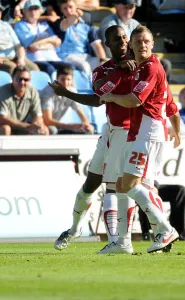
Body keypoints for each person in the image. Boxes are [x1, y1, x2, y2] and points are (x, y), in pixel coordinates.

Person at [50, 25, 137, 250]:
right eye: (117, 39)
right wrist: (67, 93)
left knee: (113, 187)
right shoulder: (102, 70)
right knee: (90, 185)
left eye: (125, 38)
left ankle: (115, 242)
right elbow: (98, 97)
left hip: (129, 133)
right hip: (110, 131)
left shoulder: (139, 66)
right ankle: (75, 229)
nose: (123, 42)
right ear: (107, 44)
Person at [100, 25, 181, 254]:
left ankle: (165, 230)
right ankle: (126, 241)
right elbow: (171, 105)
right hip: (143, 133)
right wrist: (176, 130)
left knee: (128, 184)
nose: (142, 45)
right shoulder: (144, 68)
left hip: (147, 133)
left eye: (145, 41)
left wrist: (111, 96)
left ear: (152, 44)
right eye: (137, 43)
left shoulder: (151, 69)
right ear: (132, 47)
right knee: (127, 185)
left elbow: (135, 100)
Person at [99, 0, 172, 82]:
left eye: (131, 6)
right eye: (126, 6)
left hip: (136, 58)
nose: (129, 10)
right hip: (119, 61)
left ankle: (158, 91)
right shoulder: (109, 24)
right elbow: (113, 51)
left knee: (164, 64)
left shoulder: (135, 23)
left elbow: (145, 44)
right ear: (116, 5)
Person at [14, 0, 69, 76]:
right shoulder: (20, 25)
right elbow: (31, 46)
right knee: (50, 69)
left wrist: (40, 45)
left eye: (36, 9)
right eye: (30, 9)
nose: (33, 12)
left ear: (40, 11)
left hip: (52, 57)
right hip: (35, 59)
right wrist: (50, 39)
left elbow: (57, 42)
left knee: (69, 68)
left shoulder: (44, 24)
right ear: (24, 11)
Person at [57, 0, 107, 77]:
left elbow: (97, 46)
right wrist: (76, 14)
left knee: (106, 64)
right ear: (61, 10)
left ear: (76, 7)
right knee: (85, 66)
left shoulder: (86, 25)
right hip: (67, 56)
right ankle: (90, 86)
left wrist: (102, 61)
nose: (68, 10)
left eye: (70, 7)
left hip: (84, 56)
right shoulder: (61, 23)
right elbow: (68, 23)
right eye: (65, 8)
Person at [41, 64, 94, 134]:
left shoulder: (72, 91)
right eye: (63, 79)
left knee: (89, 130)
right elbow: (47, 120)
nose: (66, 83)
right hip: (42, 125)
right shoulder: (48, 92)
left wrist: (86, 125)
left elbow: (82, 115)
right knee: (52, 130)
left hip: (58, 125)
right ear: (56, 79)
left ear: (72, 80)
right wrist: (71, 126)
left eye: (68, 79)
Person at [0, 65, 49, 135]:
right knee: (5, 128)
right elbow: (2, 119)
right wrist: (27, 127)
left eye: (26, 80)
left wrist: (36, 125)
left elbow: (38, 116)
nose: (22, 82)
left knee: (44, 130)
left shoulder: (33, 91)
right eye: (19, 79)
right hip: (4, 126)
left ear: (30, 80)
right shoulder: (2, 92)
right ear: (12, 78)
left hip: (21, 127)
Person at [0, 5, 39, 75]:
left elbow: (18, 45)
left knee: (34, 68)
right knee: (13, 68)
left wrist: (21, 58)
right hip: (2, 59)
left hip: (14, 56)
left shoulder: (6, 25)